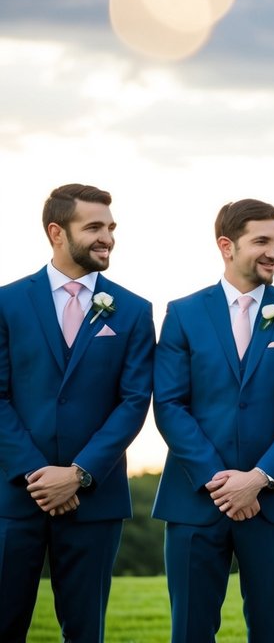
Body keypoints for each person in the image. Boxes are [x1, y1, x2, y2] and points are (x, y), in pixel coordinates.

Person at [152, 199, 274, 643]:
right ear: (226, 245)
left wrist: (259, 478)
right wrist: (218, 479)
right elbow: (170, 404)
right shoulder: (183, 313)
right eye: (262, 241)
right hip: (194, 500)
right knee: (189, 631)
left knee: (271, 631)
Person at [0, 183, 154, 643]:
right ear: (56, 232)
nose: (107, 237)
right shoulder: (6, 303)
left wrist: (79, 473)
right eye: (94, 227)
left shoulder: (132, 309)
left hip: (95, 500)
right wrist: (36, 473)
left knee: (86, 632)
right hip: (13, 497)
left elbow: (133, 401)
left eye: (110, 227)